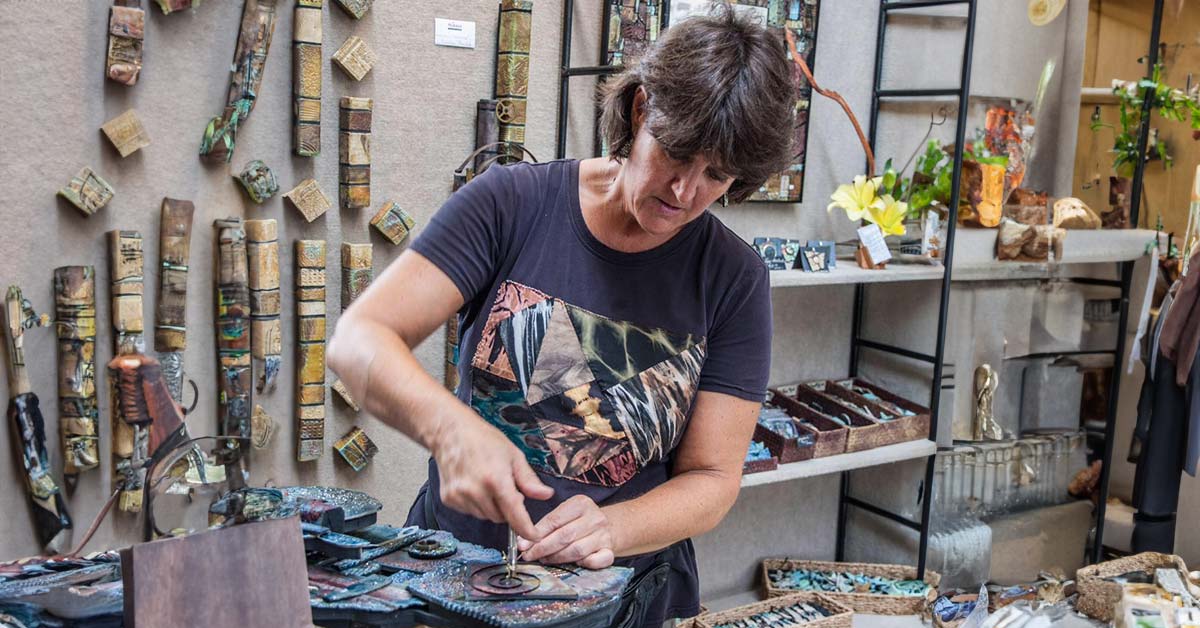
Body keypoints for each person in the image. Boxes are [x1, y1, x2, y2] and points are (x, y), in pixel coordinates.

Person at [328, 7, 795, 627]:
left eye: (716, 175)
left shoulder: (733, 277)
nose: (684, 192)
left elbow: (713, 477)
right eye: (676, 153)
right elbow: (360, 340)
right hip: (459, 577)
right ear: (640, 110)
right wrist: (452, 431)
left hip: (623, 597)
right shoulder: (512, 204)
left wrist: (611, 526)